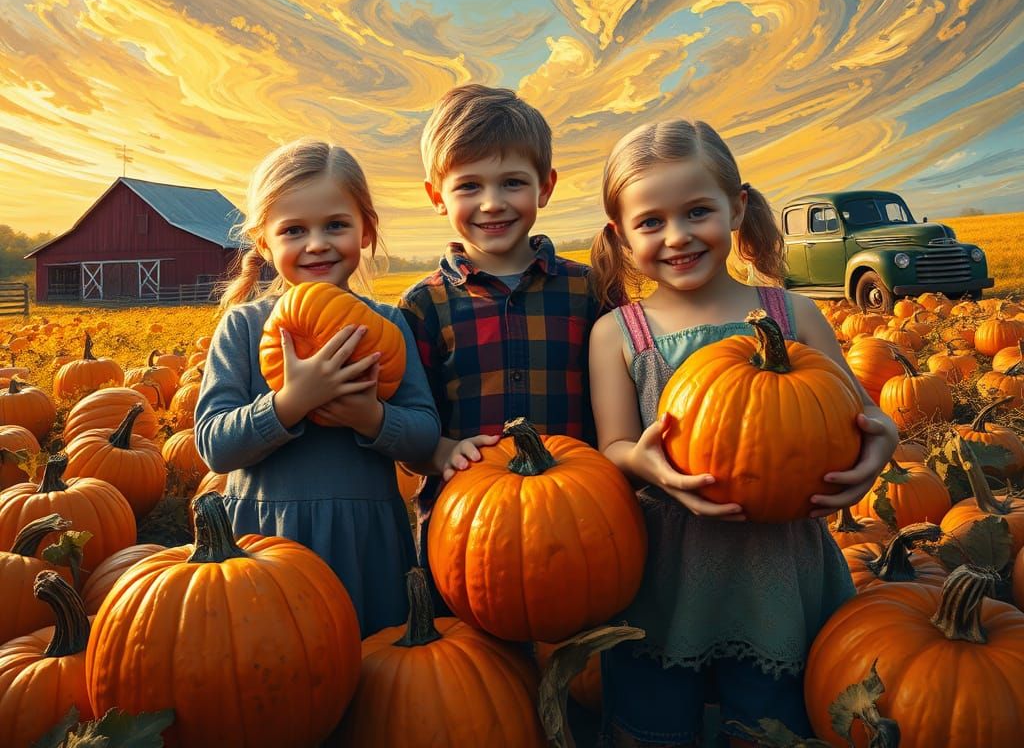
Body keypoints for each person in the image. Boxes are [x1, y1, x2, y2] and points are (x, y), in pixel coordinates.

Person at [587, 119, 898, 748]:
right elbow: (615, 446)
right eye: (651, 222)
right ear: (621, 235)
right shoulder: (618, 334)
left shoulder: (793, 314)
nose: (677, 237)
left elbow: (866, 414)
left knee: (770, 721)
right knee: (654, 718)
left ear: (737, 207)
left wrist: (881, 445)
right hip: (668, 562)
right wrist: (653, 469)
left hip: (778, 560)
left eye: (697, 211)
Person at [195, 138, 440, 636]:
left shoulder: (390, 325)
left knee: (370, 669)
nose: (316, 243)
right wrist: (291, 403)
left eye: (335, 224)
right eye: (293, 230)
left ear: (366, 230)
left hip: (364, 539)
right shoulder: (243, 328)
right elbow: (214, 445)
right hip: (265, 542)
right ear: (264, 242)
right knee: (276, 669)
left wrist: (368, 417)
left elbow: (423, 437)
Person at [398, 83, 605, 566]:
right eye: (469, 186)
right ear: (437, 196)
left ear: (545, 186)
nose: (492, 203)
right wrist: (439, 452)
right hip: (465, 528)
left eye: (512, 182)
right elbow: (412, 425)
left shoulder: (589, 291)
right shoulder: (423, 305)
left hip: (582, 518)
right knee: (466, 643)